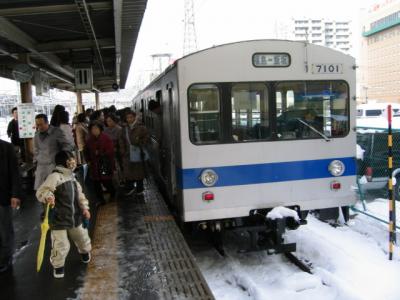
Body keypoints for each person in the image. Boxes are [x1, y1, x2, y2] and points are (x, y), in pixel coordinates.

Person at [36, 151, 91, 279]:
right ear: (62, 162)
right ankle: (58, 266)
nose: (72, 161)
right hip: (58, 218)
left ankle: (85, 252)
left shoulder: (72, 176)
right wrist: (48, 196)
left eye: (73, 159)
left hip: (75, 216)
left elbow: (80, 196)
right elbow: (41, 191)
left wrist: (85, 208)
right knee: (61, 244)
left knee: (82, 237)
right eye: (69, 159)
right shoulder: (55, 177)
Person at [33, 114, 73, 190]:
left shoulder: (57, 132)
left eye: (41, 124)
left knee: (55, 189)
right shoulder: (36, 135)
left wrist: (63, 156)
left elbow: (67, 145)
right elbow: (36, 150)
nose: (39, 127)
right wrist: (35, 162)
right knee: (41, 191)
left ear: (47, 122)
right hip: (41, 167)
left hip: (54, 165)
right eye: (37, 125)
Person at [0, 139, 21, 273]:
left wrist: (15, 194)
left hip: (3, 196)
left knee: (4, 229)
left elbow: (15, 173)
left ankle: (5, 258)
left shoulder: (6, 147)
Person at [119, 110, 149, 196]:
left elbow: (146, 137)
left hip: (138, 153)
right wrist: (123, 150)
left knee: (139, 172)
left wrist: (140, 142)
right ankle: (130, 187)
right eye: (127, 117)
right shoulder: (124, 128)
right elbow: (121, 139)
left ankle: (140, 189)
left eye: (131, 117)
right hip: (127, 153)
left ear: (134, 117)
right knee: (128, 172)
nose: (129, 119)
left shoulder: (141, 127)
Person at [84, 121, 116, 203]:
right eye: (92, 129)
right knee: (96, 183)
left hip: (104, 164)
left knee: (107, 181)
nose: (94, 130)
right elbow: (86, 151)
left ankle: (113, 194)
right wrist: (88, 160)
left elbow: (111, 151)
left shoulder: (106, 138)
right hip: (94, 165)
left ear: (100, 129)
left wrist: (101, 153)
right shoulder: (89, 140)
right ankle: (101, 200)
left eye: (96, 128)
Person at [104, 114, 123, 185]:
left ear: (114, 121)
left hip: (117, 152)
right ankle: (114, 180)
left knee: (119, 166)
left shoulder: (119, 129)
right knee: (112, 167)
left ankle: (121, 180)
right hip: (109, 152)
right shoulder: (105, 130)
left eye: (110, 121)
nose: (109, 123)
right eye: (107, 121)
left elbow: (121, 142)